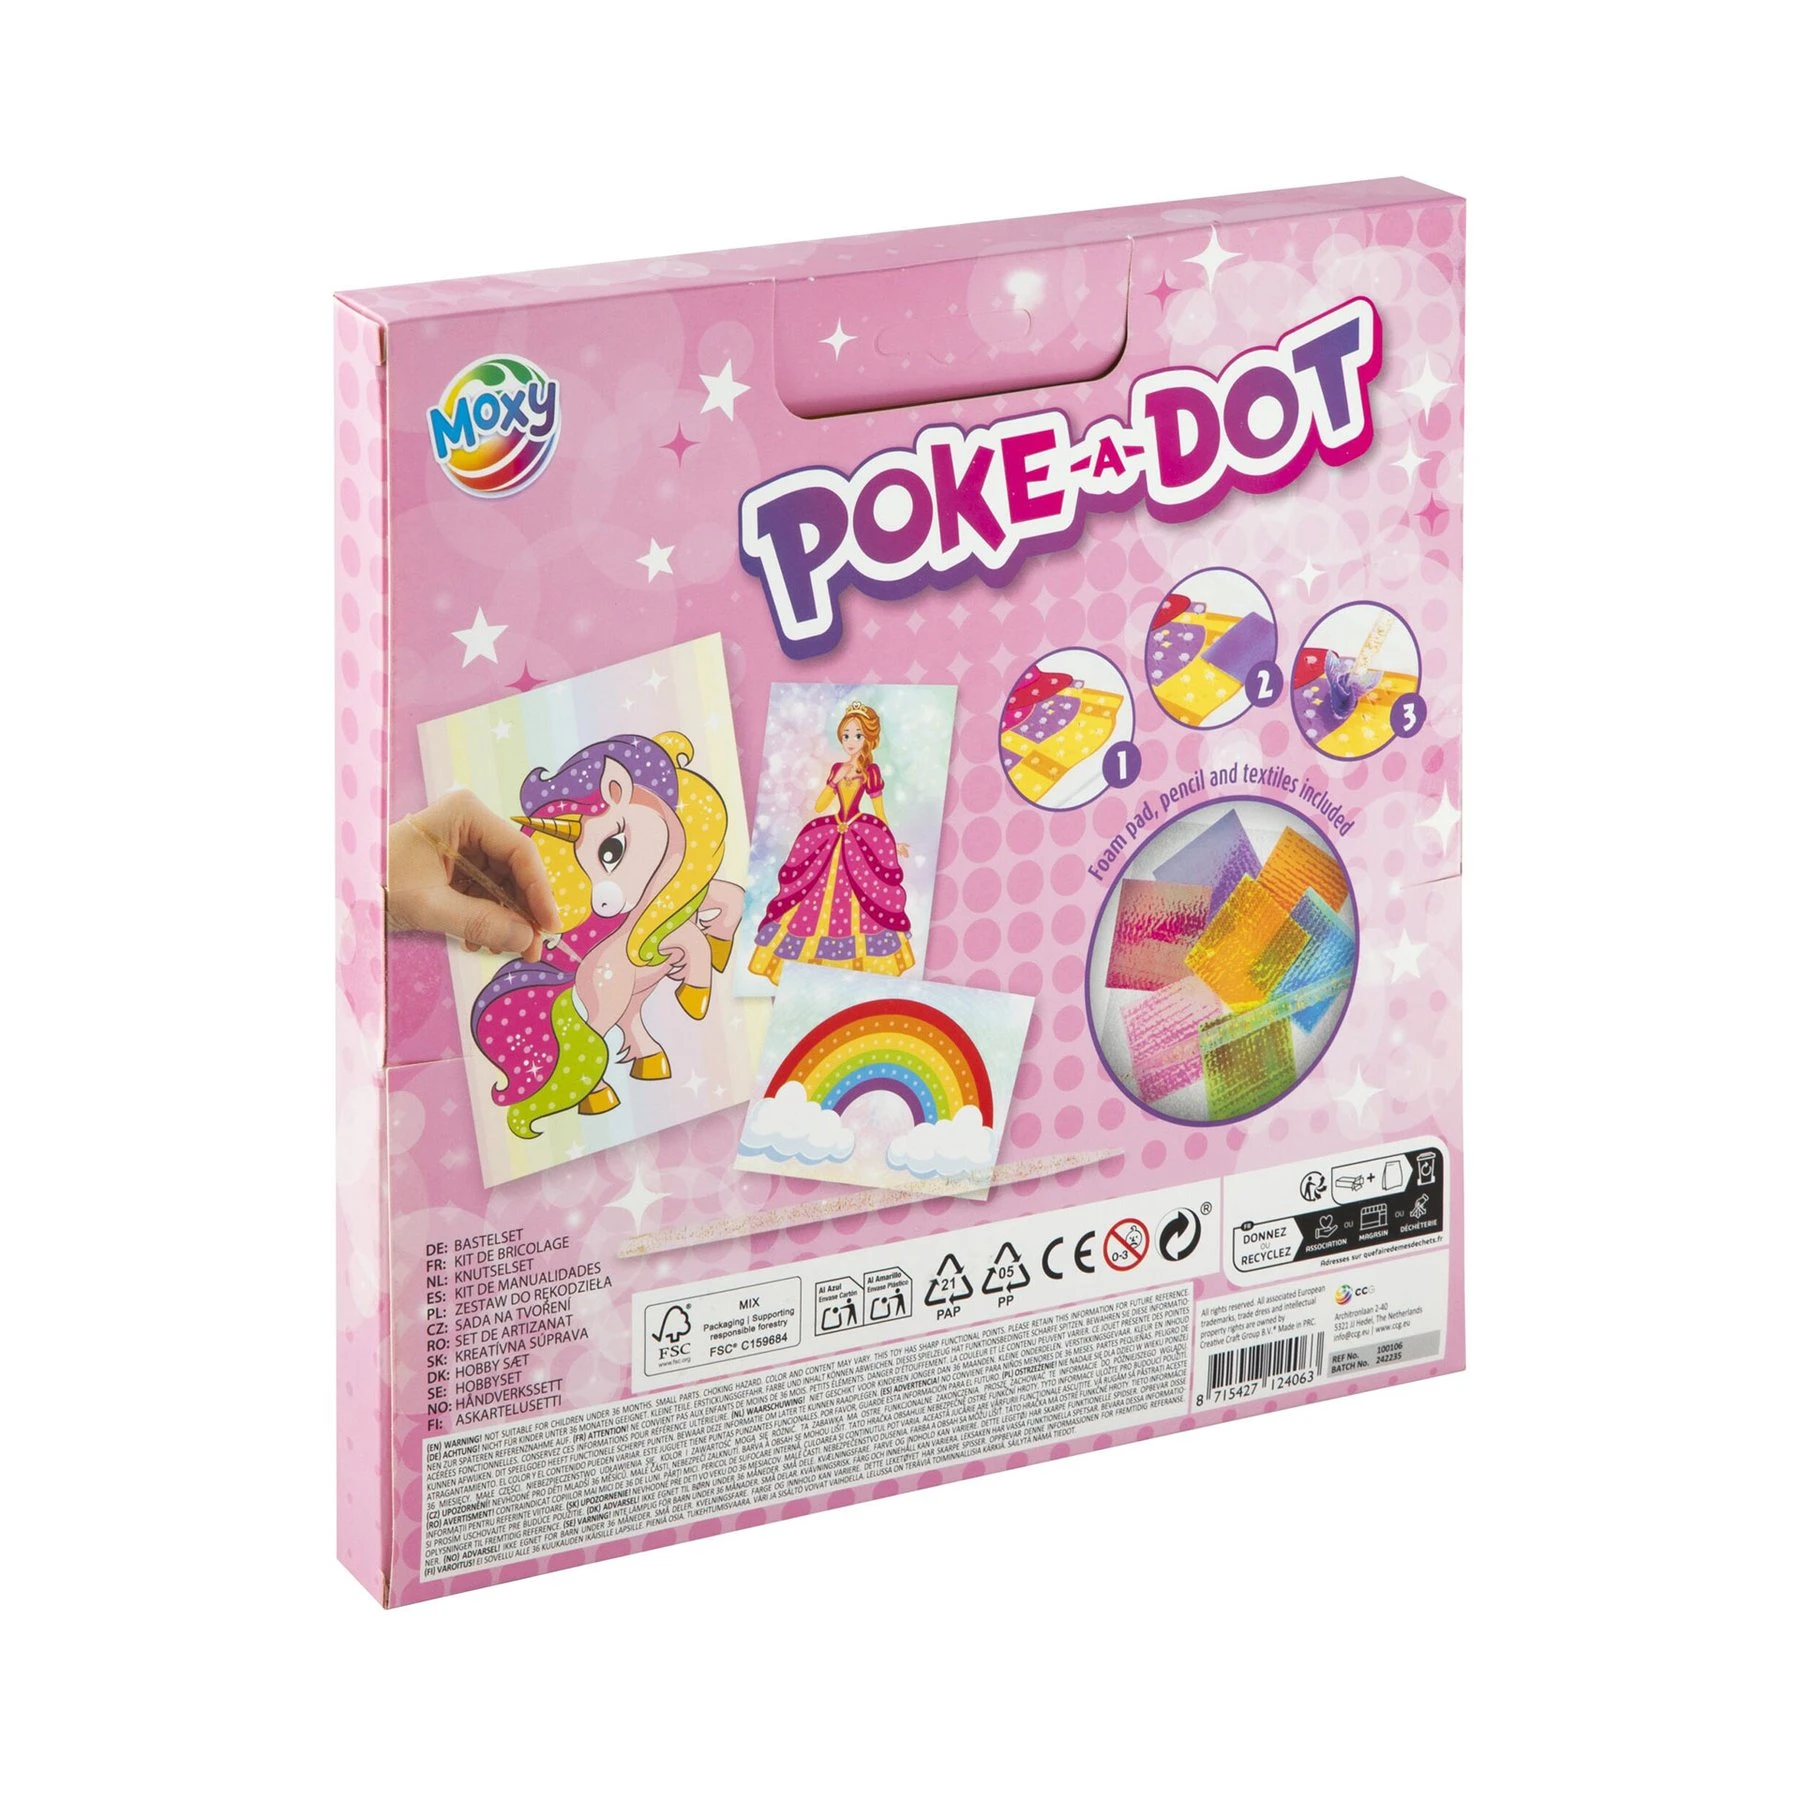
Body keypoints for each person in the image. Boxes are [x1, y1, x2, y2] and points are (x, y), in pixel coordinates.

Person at [747, 701, 914, 984]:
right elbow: (820, 805)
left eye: (857, 735)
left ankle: (857, 969)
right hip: (831, 832)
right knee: (812, 893)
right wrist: (834, 780)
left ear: (868, 738)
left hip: (859, 835)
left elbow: (880, 811)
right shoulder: (837, 768)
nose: (850, 741)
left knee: (859, 897)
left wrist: (892, 841)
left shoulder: (871, 772)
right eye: (846, 735)